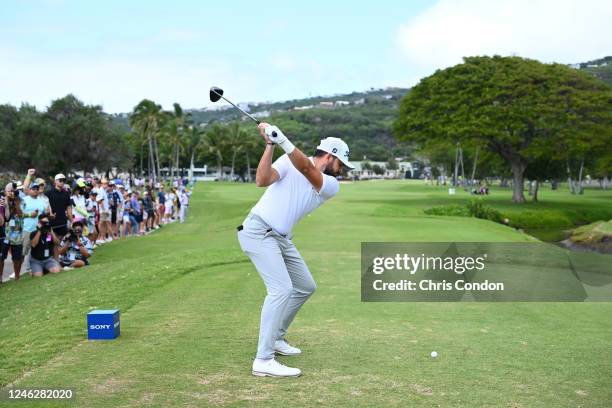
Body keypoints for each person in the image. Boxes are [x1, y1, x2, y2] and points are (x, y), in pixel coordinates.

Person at [237, 123, 353, 377]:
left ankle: (276, 339)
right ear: (330, 156)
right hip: (258, 231)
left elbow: (306, 168)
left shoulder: (330, 184)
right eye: (341, 164)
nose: (342, 170)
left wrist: (283, 140)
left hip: (281, 238)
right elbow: (261, 180)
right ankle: (263, 359)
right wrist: (270, 144)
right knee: (281, 289)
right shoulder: (288, 161)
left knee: (305, 286)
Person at [21, 176, 51, 274]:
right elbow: (18, 214)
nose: (35, 190)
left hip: (38, 229)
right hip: (27, 229)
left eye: (37, 189)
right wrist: (30, 214)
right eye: (33, 188)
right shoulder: (24, 200)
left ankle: (30, 268)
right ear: (29, 190)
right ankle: (19, 271)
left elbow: (44, 214)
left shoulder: (42, 201)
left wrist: (49, 215)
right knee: (24, 251)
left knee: (35, 249)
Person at [1, 184, 25, 281]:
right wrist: (5, 202)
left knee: (17, 258)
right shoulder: (2, 201)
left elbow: (21, 214)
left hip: (17, 233)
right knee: (1, 257)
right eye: (9, 191)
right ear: (5, 192)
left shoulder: (20, 200)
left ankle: (17, 277)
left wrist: (15, 201)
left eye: (13, 191)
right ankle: (0, 278)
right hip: (4, 234)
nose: (12, 193)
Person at [45, 173, 73, 241]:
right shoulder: (48, 193)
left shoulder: (66, 193)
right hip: (51, 224)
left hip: (63, 222)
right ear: (55, 181)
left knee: (65, 242)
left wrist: (71, 221)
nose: (62, 182)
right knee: (51, 243)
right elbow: (46, 207)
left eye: (63, 180)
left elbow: (68, 208)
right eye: (60, 180)